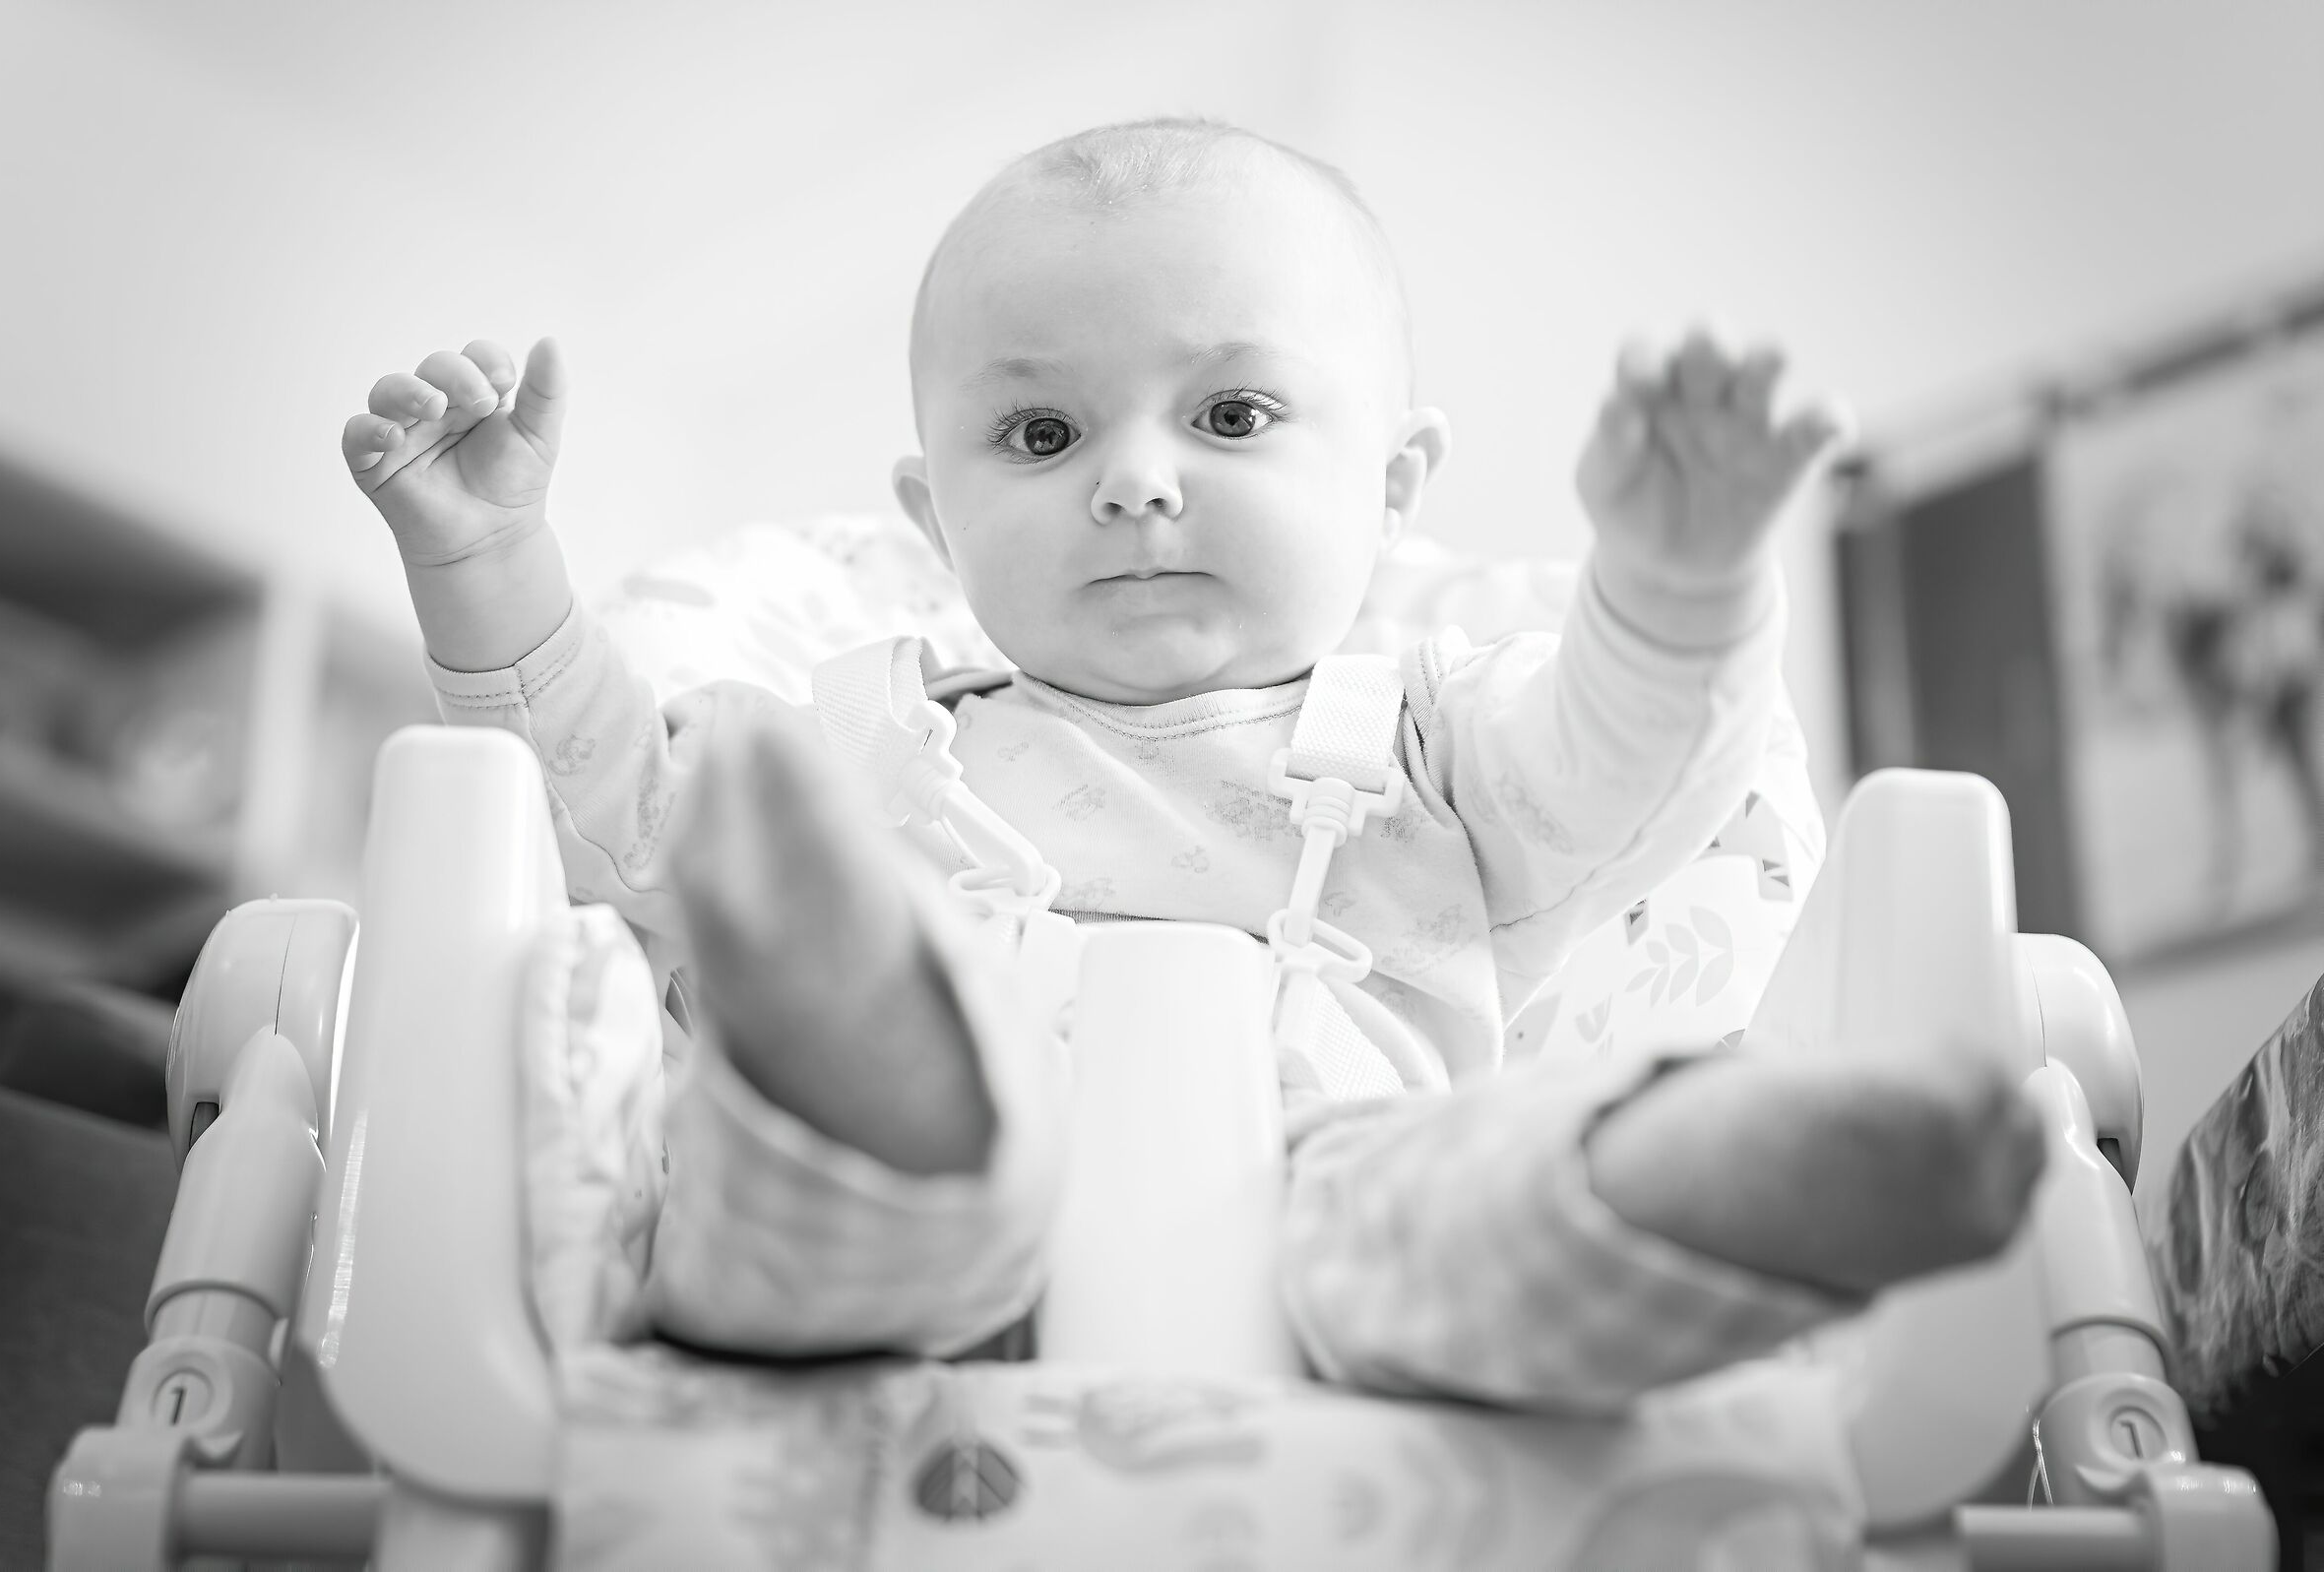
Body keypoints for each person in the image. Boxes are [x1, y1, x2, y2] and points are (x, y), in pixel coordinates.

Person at [340, 118, 2045, 1410]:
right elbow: (598, 808)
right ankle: (870, 1078)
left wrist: (1676, 589)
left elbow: (1626, 772)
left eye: (1230, 415)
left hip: (1329, 1239)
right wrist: (489, 568)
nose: (1135, 480)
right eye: (1041, 432)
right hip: (911, 1271)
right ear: (937, 524)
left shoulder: (1441, 738)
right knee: (803, 1132)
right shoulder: (861, 734)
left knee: (1468, 1206)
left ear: (1391, 488)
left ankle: (1690, 1188)